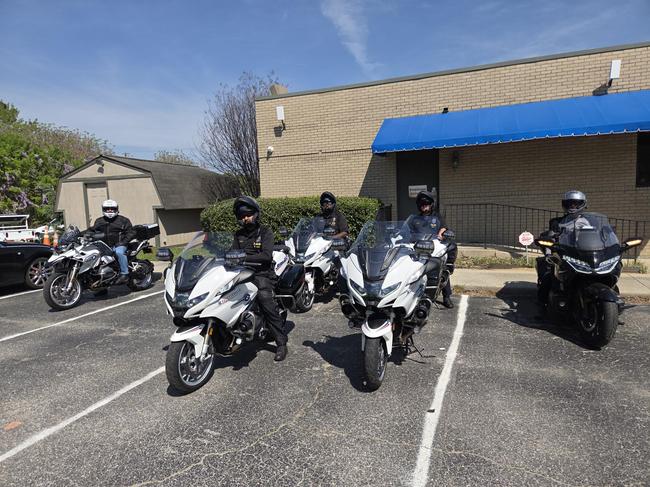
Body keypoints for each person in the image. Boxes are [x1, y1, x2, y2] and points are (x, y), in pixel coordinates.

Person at [232, 196, 288, 362]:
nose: (245, 218)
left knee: (265, 301)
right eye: (242, 216)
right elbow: (232, 252)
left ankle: (281, 343)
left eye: (248, 214)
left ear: (255, 214)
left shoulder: (265, 232)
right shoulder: (238, 235)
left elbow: (266, 256)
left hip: (261, 274)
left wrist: (243, 258)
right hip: (241, 273)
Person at [536, 190, 587, 303]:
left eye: (576, 203)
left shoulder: (590, 222)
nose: (573, 206)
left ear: (583, 204)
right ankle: (543, 304)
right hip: (564, 253)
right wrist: (549, 252)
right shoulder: (557, 222)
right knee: (549, 277)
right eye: (569, 203)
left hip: (584, 253)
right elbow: (550, 237)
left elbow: (601, 235)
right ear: (564, 204)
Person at [408, 190, 456, 308]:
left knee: (442, 269)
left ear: (431, 205)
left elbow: (444, 227)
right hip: (418, 248)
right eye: (422, 205)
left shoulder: (437, 216)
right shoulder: (414, 219)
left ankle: (446, 296)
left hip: (435, 248)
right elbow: (406, 231)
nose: (424, 206)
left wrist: (441, 233)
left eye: (426, 204)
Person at [86, 199, 135, 285]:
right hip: (104, 246)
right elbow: (92, 230)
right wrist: (82, 234)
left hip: (119, 244)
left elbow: (131, 232)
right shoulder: (99, 221)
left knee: (119, 253)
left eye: (112, 208)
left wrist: (123, 242)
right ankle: (100, 281)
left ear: (116, 209)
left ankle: (125, 274)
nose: (110, 210)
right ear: (103, 209)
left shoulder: (123, 220)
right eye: (107, 208)